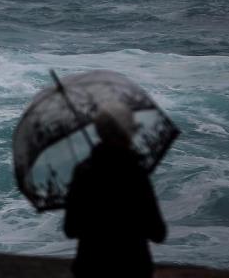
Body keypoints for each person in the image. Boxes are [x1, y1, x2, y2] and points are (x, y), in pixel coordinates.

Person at [64, 101, 167, 277]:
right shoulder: (135, 173)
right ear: (128, 131)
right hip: (133, 267)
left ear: (98, 131)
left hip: (90, 267)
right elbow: (157, 232)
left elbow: (71, 228)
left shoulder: (83, 172)